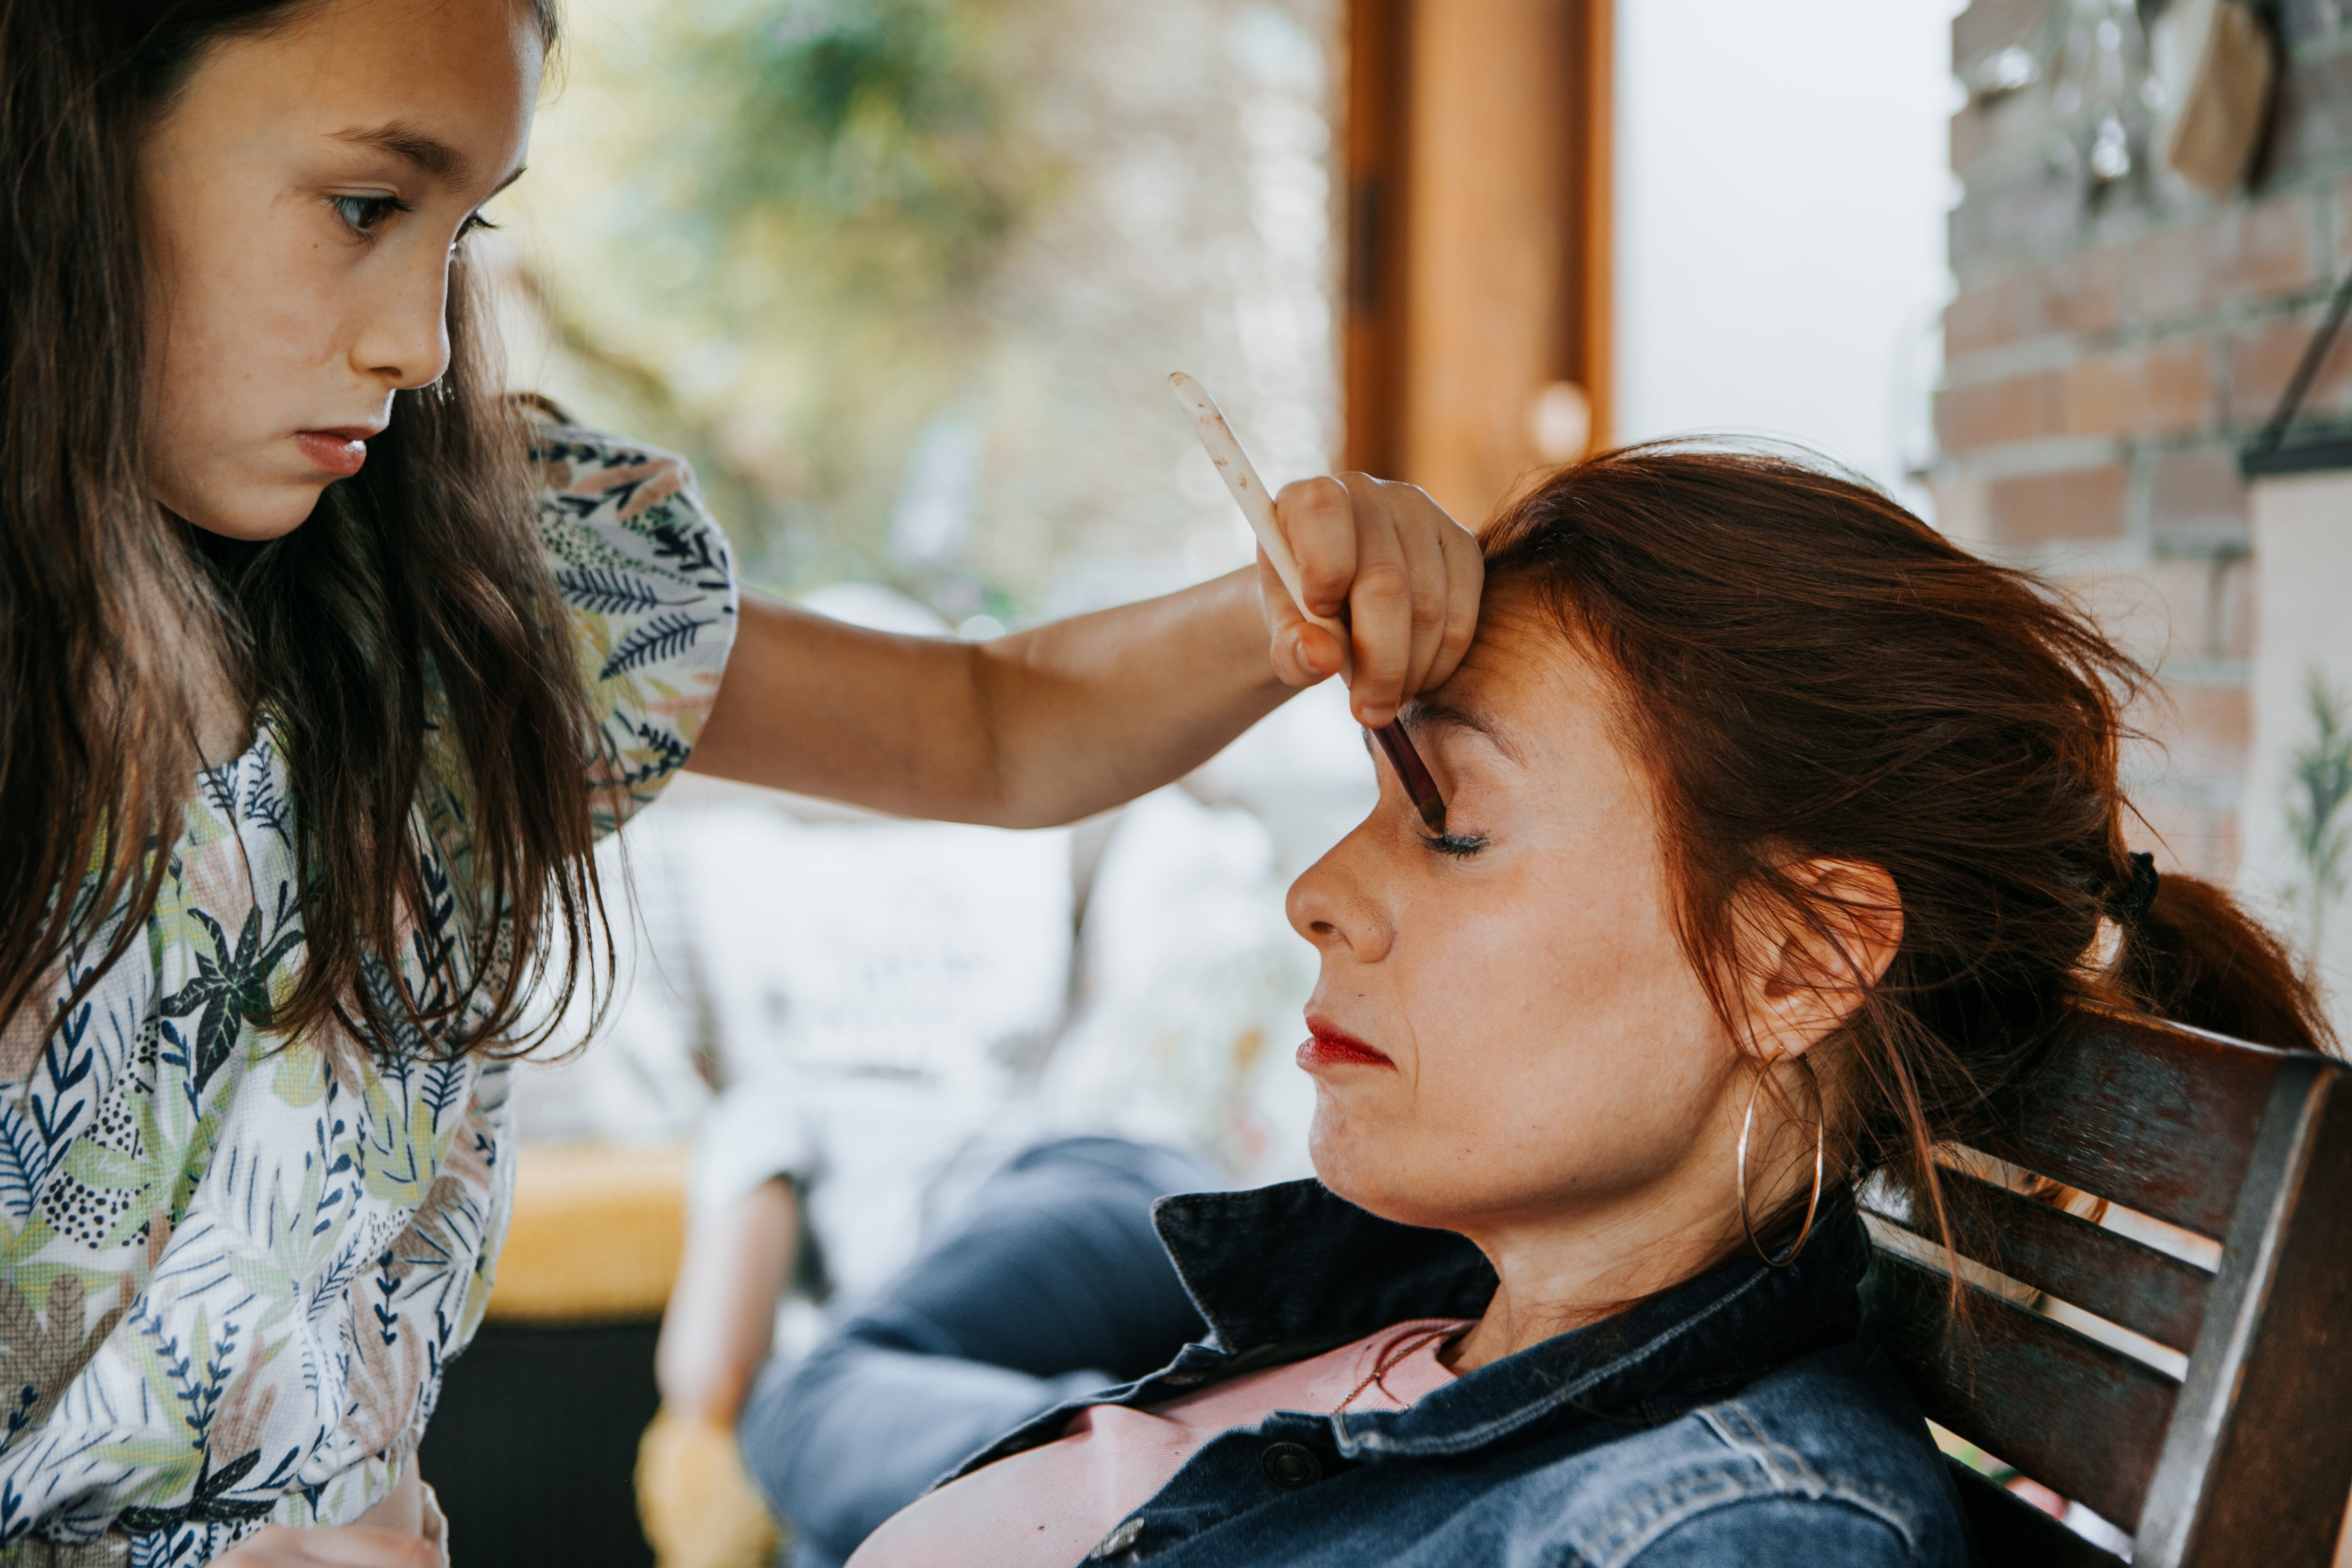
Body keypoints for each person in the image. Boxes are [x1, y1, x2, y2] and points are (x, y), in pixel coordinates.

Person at [0, 2, 1481, 1564]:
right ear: (69, 142)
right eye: (367, 206)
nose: (419, 345)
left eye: (459, 232)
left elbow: (990, 727)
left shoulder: (493, 585)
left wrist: (1282, 609)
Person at [832, 445, 2332, 1568]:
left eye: (1451, 824)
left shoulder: (1718, 1538)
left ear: (1797, 961)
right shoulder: (1405, 1323)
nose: (1317, 894)